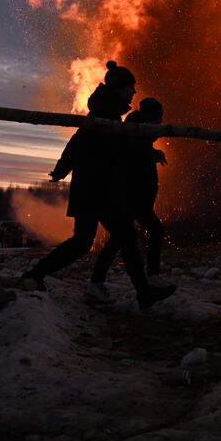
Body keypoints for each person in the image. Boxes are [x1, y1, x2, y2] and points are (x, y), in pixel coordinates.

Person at [22, 62, 176, 309]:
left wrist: (63, 168)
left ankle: (36, 275)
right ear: (119, 89)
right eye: (130, 87)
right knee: (121, 235)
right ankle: (143, 292)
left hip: (94, 186)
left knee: (87, 240)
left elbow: (80, 141)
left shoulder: (107, 111)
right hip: (99, 187)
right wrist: (64, 167)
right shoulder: (106, 113)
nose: (134, 92)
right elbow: (109, 146)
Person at [88, 97, 169, 303]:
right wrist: (153, 155)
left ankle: (100, 284)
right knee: (148, 232)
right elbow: (134, 153)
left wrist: (153, 153)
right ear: (152, 115)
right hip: (131, 198)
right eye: (159, 116)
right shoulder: (135, 129)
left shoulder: (137, 131)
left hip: (133, 198)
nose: (161, 120)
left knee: (119, 240)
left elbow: (137, 150)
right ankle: (151, 280)